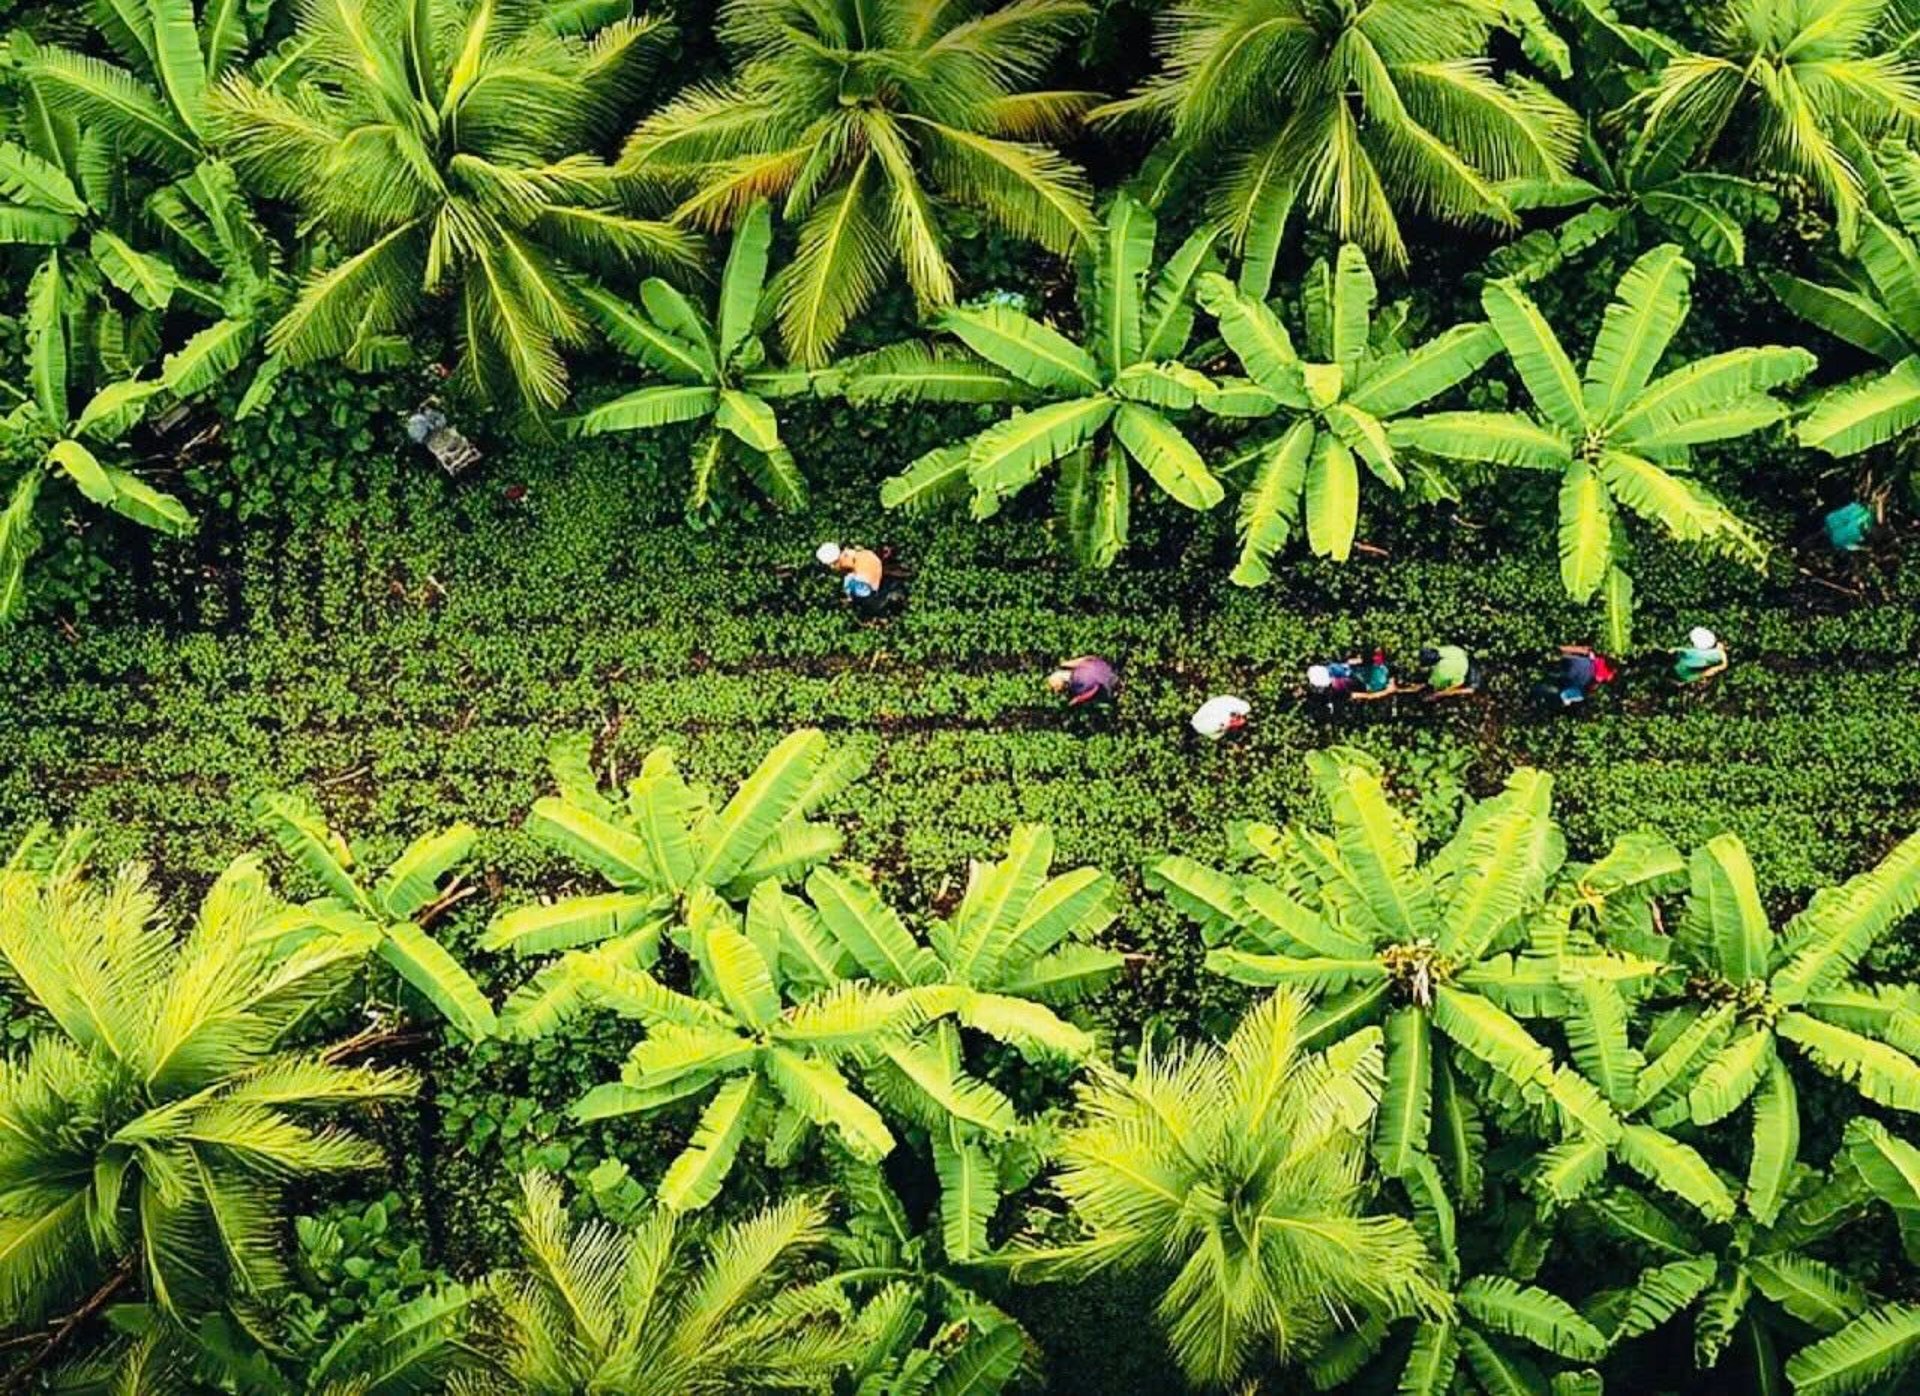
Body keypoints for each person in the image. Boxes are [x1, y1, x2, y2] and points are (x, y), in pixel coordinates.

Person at [816, 542, 903, 618]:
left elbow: (860, 587)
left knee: (852, 588)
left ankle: (882, 603)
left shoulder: (848, 576)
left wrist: (851, 597)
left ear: (832, 564)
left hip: (871, 586)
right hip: (877, 571)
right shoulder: (854, 552)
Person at [1534, 644, 1615, 710]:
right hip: (1588, 669)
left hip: (1588, 670)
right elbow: (1582, 650)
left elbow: (1583, 650)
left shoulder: (1598, 668)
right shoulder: (1568, 663)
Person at [1047, 655, 1117, 707]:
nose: (1056, 691)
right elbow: (1092, 658)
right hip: (1111, 671)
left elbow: (1094, 688)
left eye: (1055, 688)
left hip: (1110, 689)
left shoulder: (1077, 682)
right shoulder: (1079, 665)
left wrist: (1079, 699)